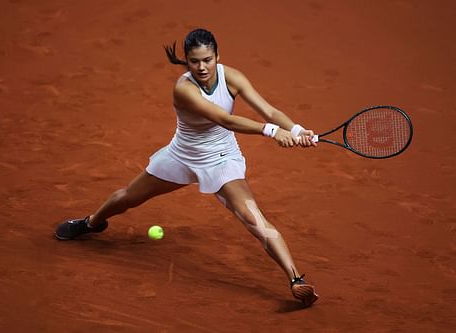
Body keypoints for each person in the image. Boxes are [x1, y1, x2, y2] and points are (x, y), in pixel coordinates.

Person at [55, 28, 319, 307]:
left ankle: (296, 279)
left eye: (207, 59)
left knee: (253, 219)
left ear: (218, 56)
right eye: (194, 61)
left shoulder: (233, 77)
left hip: (221, 160)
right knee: (128, 197)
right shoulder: (184, 89)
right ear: (186, 61)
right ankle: (91, 223)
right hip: (182, 156)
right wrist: (273, 132)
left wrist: (298, 129)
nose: (202, 67)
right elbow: (225, 120)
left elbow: (269, 111)